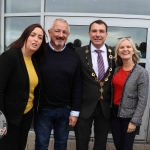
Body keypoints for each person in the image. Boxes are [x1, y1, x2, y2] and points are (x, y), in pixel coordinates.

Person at [34, 18, 82, 150]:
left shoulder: (73, 57)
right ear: (49, 32)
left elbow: (77, 85)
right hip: (43, 110)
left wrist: (75, 111)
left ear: (68, 35)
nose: (61, 35)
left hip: (65, 111)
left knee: (61, 144)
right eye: (57, 31)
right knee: (41, 144)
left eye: (64, 32)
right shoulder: (38, 53)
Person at [0, 23, 46, 150]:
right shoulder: (9, 57)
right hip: (9, 117)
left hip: (26, 116)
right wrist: (1, 121)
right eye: (33, 35)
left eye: (40, 37)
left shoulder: (34, 60)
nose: (36, 39)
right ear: (25, 36)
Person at [74, 19, 115, 150]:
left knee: (101, 143)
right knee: (81, 142)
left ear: (106, 34)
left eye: (101, 31)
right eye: (94, 31)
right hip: (84, 105)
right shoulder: (79, 52)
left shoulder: (114, 54)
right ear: (89, 33)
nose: (98, 34)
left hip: (105, 106)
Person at [111, 37, 149, 150]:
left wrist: (135, 121)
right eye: (121, 47)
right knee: (118, 145)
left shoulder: (141, 73)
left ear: (133, 50)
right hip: (115, 114)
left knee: (126, 147)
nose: (125, 49)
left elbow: (143, 100)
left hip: (129, 116)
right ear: (118, 51)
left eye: (128, 47)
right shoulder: (116, 69)